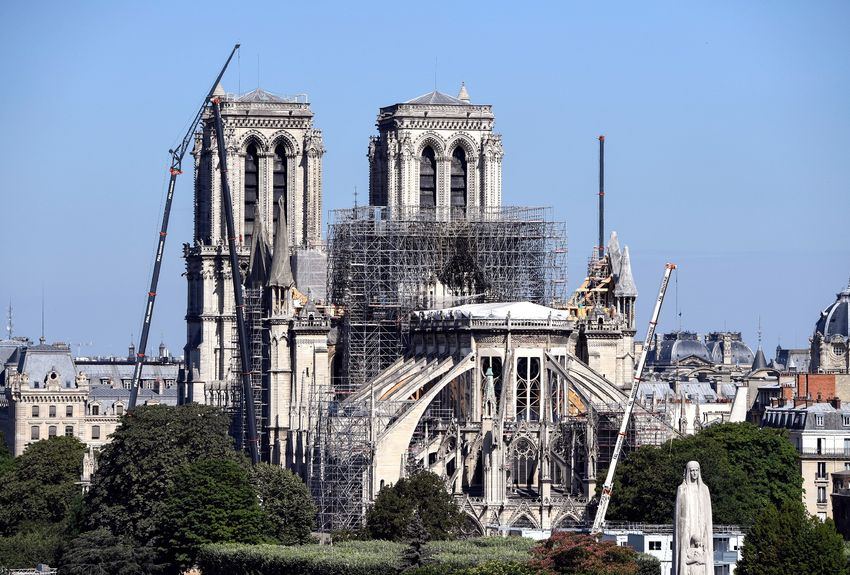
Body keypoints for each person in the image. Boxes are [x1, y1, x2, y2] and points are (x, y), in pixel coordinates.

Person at [674, 461, 713, 575]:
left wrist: (705, 529)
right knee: (686, 551)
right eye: (692, 471)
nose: (694, 473)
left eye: (696, 470)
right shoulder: (682, 489)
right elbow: (678, 514)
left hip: (700, 525)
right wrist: (683, 529)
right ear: (688, 472)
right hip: (687, 525)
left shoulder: (704, 489)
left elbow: (708, 513)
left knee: (702, 549)